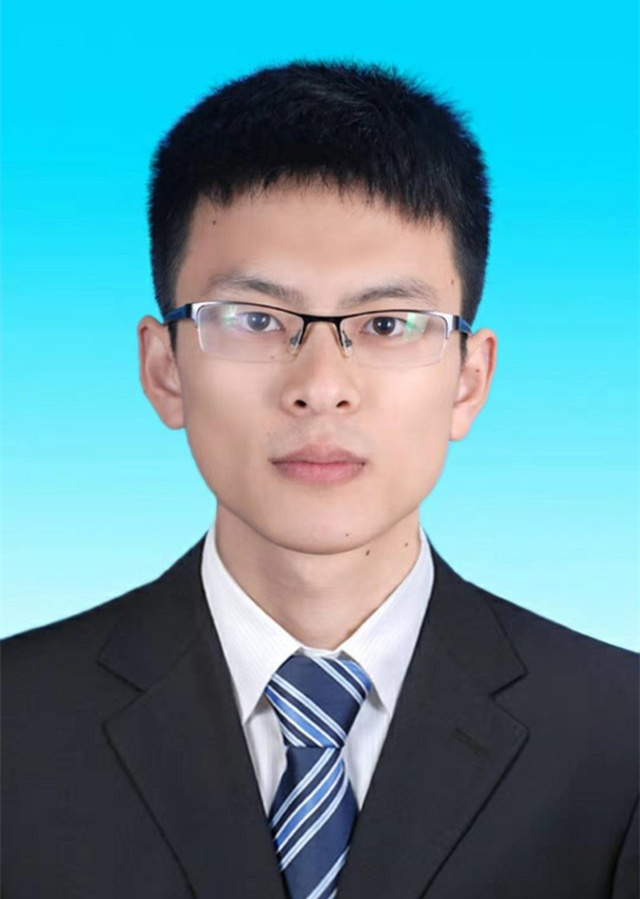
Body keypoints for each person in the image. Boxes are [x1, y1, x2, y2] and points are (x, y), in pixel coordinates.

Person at [2, 60, 637, 899]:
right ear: (164, 369)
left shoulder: (621, 736)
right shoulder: (14, 724)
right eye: (256, 319)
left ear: (468, 380)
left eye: (387, 323)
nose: (322, 385)